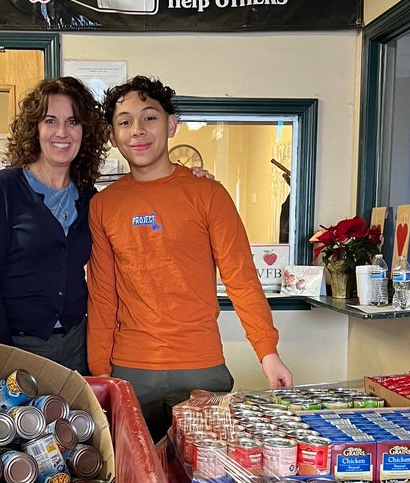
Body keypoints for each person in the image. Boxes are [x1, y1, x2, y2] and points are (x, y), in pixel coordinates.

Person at [87, 75, 294, 441]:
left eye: (149, 117)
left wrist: (267, 352)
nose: (138, 130)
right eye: (125, 122)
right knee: (137, 480)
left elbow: (241, 278)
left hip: (202, 366)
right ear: (112, 135)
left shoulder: (208, 194)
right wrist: (100, 370)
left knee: (206, 479)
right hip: (131, 369)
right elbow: (103, 294)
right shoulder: (104, 205)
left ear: (171, 124)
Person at [0, 76, 109, 373]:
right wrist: (4, 356)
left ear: (85, 132)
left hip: (75, 347)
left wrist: (188, 179)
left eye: (73, 122)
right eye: (50, 120)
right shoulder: (5, 188)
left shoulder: (89, 197)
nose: (62, 132)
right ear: (36, 128)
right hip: (15, 345)